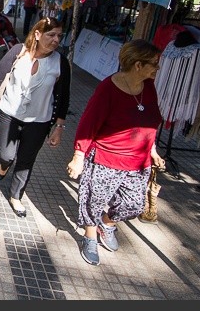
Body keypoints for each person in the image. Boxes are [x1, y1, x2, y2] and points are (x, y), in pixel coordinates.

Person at [66, 38, 166, 266]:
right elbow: (88, 124)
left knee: (134, 204)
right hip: (105, 158)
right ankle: (90, 237)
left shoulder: (148, 87)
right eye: (153, 63)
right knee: (93, 200)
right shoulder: (108, 89)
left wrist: (153, 150)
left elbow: (149, 121)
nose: (157, 69)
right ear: (138, 65)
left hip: (138, 162)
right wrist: (79, 156)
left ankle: (107, 223)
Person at [0, 17, 71, 217]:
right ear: (38, 35)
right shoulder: (18, 51)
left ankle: (16, 196)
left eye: (59, 36)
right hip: (9, 113)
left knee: (26, 159)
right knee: (6, 155)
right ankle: (3, 166)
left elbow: (64, 96)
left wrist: (59, 126)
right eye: (51, 35)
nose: (56, 40)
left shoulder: (60, 63)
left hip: (39, 121)